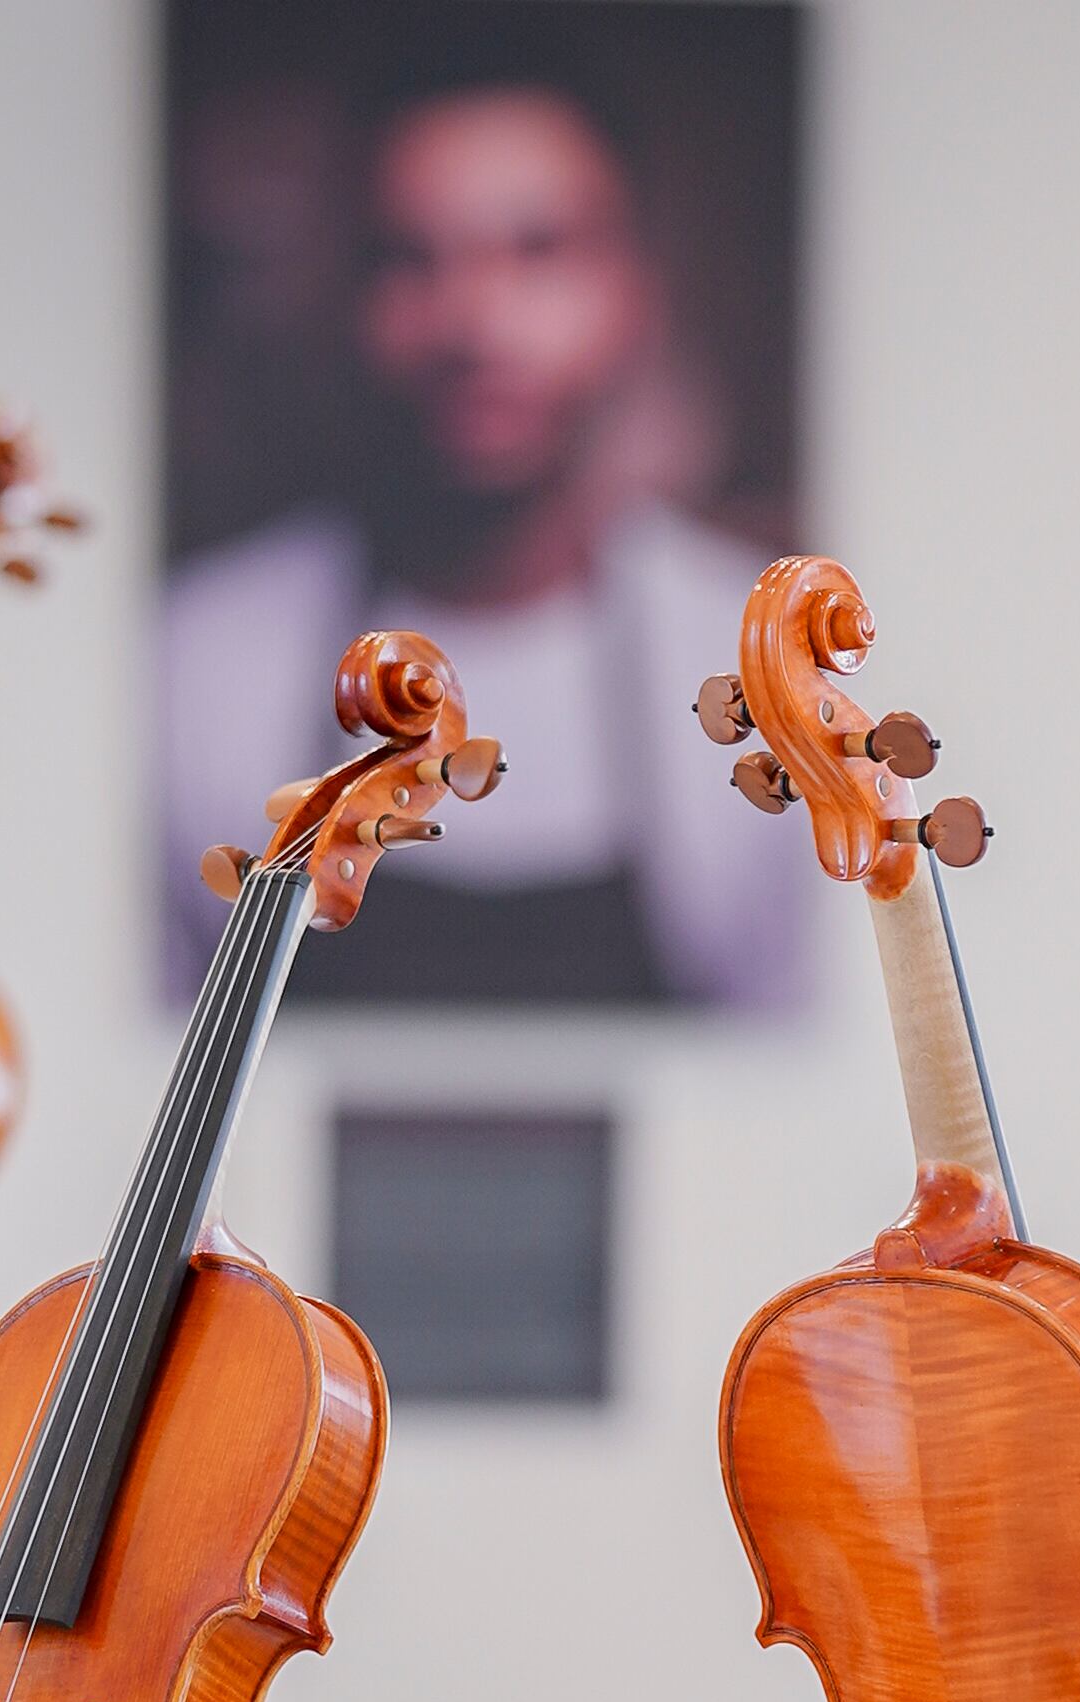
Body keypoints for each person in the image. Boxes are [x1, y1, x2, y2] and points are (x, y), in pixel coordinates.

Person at [160, 66, 800, 1009]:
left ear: (637, 292)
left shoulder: (769, 674)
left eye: (539, 250)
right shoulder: (194, 659)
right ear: (347, 298)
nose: (474, 322)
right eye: (412, 258)